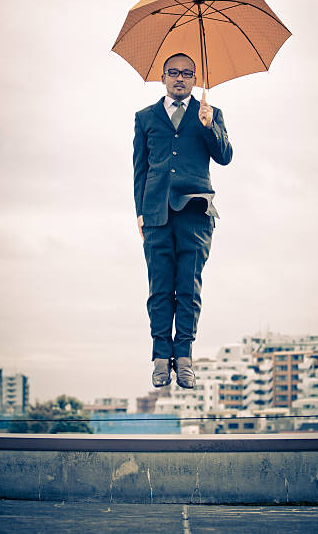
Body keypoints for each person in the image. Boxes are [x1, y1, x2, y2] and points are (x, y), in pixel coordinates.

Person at [133, 53, 232, 389]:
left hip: (195, 214)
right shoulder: (145, 118)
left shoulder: (210, 114)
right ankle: (161, 357)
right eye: (173, 72)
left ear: (195, 78)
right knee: (160, 288)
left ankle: (184, 356)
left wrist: (210, 126)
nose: (180, 78)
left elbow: (225, 156)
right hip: (157, 214)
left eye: (187, 73)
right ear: (163, 77)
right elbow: (140, 170)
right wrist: (140, 213)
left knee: (188, 288)